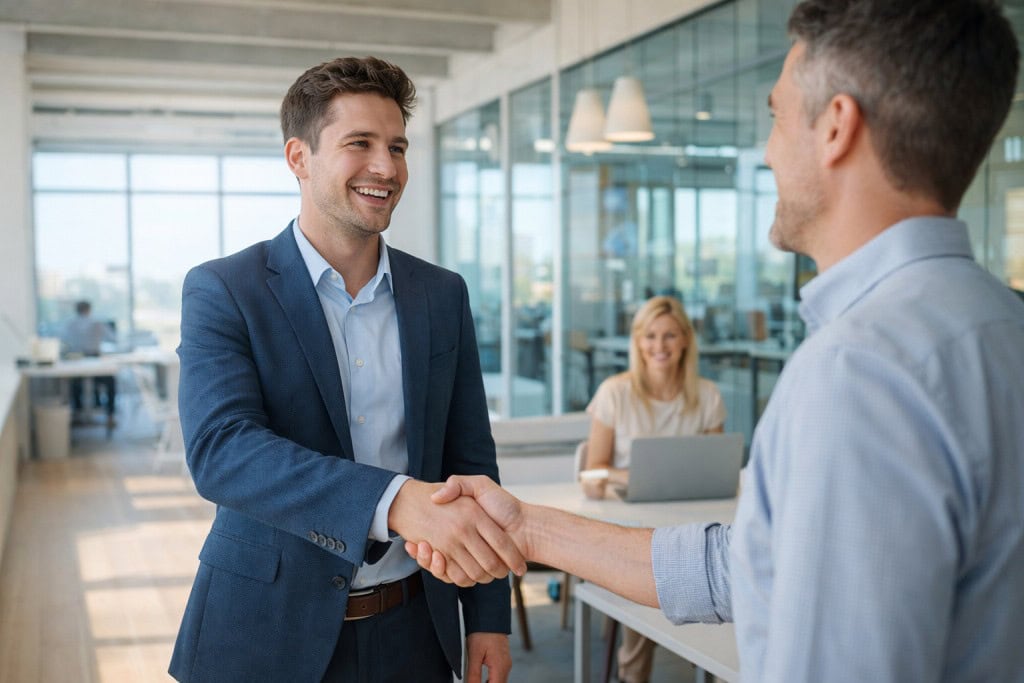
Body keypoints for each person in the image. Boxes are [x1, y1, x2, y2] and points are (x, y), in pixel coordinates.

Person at [409, 1, 1024, 680]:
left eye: (776, 116)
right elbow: (748, 565)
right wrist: (528, 527)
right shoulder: (1000, 322)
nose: (765, 153)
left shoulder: (859, 369)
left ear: (837, 129)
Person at [169, 57, 524, 683]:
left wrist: (489, 617)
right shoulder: (224, 289)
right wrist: (394, 503)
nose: (385, 168)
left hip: (416, 628)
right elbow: (223, 450)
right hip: (265, 632)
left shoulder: (441, 295)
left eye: (397, 147)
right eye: (358, 144)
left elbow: (471, 458)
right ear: (298, 157)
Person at [582, 295, 724, 683]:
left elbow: (716, 468)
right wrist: (634, 477)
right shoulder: (615, 392)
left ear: (685, 341)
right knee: (647, 600)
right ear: (638, 341)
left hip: (693, 524)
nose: (659, 346)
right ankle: (633, 674)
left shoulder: (707, 396)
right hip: (635, 529)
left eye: (669, 336)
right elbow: (594, 468)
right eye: (650, 336)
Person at [61, 299, 117, 427]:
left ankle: (77, 413)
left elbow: (63, 340)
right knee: (111, 381)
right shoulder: (96, 322)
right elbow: (112, 338)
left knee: (73, 383)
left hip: (76, 361)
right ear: (89, 309)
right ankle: (110, 416)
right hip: (95, 361)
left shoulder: (70, 324)